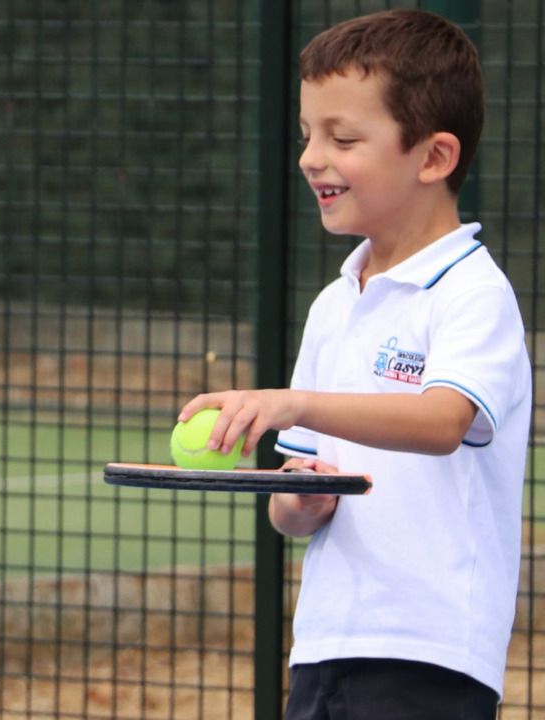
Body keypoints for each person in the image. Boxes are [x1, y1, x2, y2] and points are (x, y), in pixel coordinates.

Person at [178, 9, 530, 719]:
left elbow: (442, 420)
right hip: (324, 648)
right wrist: (300, 500)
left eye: (342, 138)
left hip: (432, 657)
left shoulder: (473, 291)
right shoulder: (334, 306)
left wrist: (293, 403)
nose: (311, 156)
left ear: (433, 158)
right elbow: (293, 508)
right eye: (308, 133)